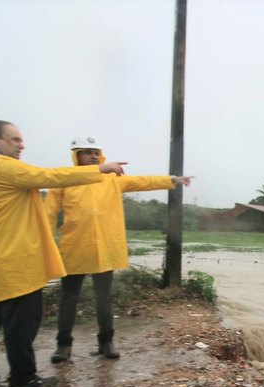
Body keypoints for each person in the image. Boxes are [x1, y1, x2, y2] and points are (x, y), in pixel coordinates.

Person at [0, 120, 127, 387]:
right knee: (20, 322)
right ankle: (23, 379)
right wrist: (99, 169)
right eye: (15, 140)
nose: (22, 145)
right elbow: (50, 177)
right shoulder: (3, 168)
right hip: (15, 261)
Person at [46, 135, 193, 362]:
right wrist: (44, 244)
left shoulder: (112, 179)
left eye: (96, 152)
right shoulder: (65, 180)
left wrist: (172, 179)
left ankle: (106, 341)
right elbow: (48, 214)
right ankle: (63, 345)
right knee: (69, 297)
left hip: (104, 249)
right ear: (77, 156)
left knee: (103, 297)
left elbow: (144, 181)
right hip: (74, 248)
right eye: (87, 152)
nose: (93, 155)